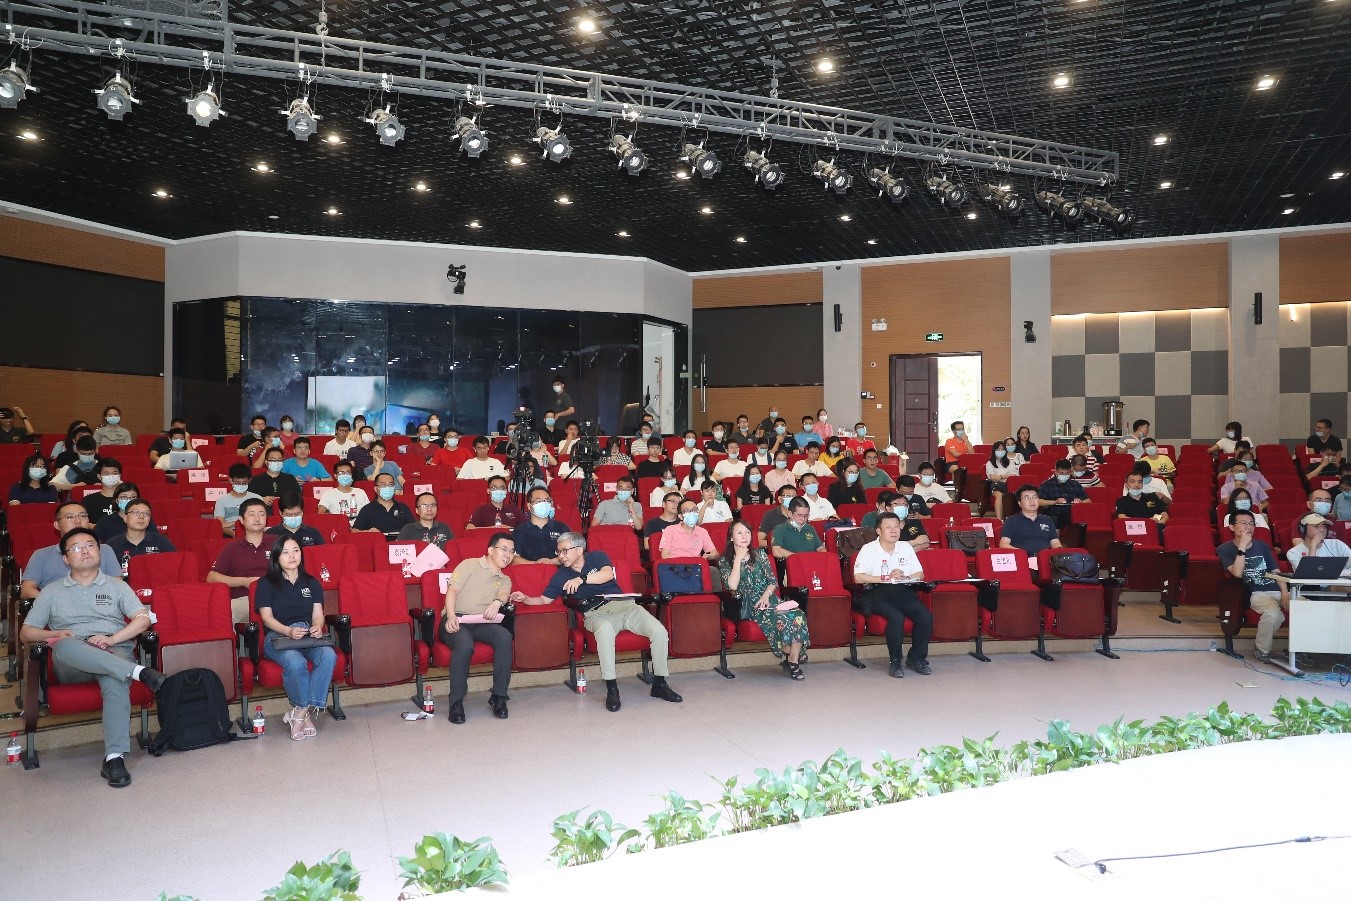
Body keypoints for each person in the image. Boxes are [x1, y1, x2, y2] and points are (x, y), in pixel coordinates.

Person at [19, 528, 166, 787]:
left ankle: (114, 759)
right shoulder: (51, 591)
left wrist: (113, 639)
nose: (85, 551)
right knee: (65, 645)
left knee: (115, 679)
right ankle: (138, 672)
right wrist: (55, 633)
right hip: (73, 659)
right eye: (76, 547)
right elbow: (26, 633)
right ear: (65, 559)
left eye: (90, 545)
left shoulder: (117, 586)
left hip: (113, 648)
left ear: (100, 552)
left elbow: (142, 620)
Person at [524, 532, 681, 711]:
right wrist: (526, 599)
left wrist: (581, 579)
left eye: (564, 551)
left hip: (625, 606)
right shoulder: (561, 575)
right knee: (605, 631)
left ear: (579, 549)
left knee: (659, 631)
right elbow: (544, 599)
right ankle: (612, 688)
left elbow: (607, 575)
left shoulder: (597, 557)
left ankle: (659, 684)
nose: (561, 556)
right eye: (558, 552)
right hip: (596, 613)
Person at [439, 533, 528, 723]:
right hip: (456, 618)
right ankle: (456, 702)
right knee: (464, 645)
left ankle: (499, 696)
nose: (508, 555)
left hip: (482, 622)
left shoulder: (504, 579)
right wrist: (451, 615)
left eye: (512, 551)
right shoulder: (469, 565)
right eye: (504, 549)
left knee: (504, 637)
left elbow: (504, 594)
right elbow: (452, 590)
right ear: (490, 550)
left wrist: (497, 602)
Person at [254, 536, 335, 740]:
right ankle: (303, 715)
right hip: (278, 637)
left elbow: (318, 615)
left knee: (328, 655)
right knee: (295, 662)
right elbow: (267, 618)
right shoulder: (266, 584)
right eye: (285, 552)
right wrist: (287, 631)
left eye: (296, 550)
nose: (292, 556)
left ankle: (300, 712)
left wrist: (317, 627)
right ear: (276, 557)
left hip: (306, 635)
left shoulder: (311, 582)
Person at [719, 521, 809, 678]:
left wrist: (766, 596)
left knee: (797, 614)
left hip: (767, 598)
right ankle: (793, 656)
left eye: (747, 532)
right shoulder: (724, 560)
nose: (744, 536)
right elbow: (732, 586)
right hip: (747, 603)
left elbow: (773, 582)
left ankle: (793, 660)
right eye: (739, 533)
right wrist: (738, 558)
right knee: (781, 618)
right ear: (731, 537)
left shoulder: (760, 554)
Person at [852, 511, 933, 678]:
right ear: (878, 531)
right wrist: (886, 577)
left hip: (903, 590)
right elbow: (858, 577)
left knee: (925, 616)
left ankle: (916, 658)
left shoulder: (905, 547)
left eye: (896, 526)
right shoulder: (868, 549)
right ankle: (895, 661)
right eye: (888, 527)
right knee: (896, 617)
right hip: (878, 592)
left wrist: (906, 577)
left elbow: (919, 573)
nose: (894, 530)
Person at [1218, 510, 1287, 663]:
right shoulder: (1225, 549)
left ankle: (1302, 651)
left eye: (1251, 524)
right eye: (1243, 523)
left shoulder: (1262, 545)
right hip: (1254, 592)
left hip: (1275, 589)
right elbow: (1237, 573)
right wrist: (1242, 546)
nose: (1248, 527)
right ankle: (1261, 649)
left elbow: (1276, 572)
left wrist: (1285, 591)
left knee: (1306, 608)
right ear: (1231, 527)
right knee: (1274, 614)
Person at [18, 503, 123, 601]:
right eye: (70, 517)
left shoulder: (105, 550)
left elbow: (117, 586)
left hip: (100, 606)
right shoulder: (41, 555)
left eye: (83, 516)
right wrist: (57, 603)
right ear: (57, 525)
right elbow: (26, 591)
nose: (78, 521)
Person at [207, 498, 277, 621]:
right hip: (244, 600)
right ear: (241, 520)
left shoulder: (278, 543)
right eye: (252, 514)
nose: (257, 519)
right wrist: (245, 581)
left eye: (261, 514)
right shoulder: (231, 548)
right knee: (224, 614)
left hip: (276, 597)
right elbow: (212, 578)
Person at [106, 499, 176, 572]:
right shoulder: (111, 545)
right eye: (136, 513)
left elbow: (174, 566)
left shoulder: (162, 541)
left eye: (146, 514)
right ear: (125, 518)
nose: (141, 516)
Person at [511, 487, 570, 564]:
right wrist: (536, 565)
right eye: (539, 501)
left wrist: (551, 562)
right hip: (529, 570)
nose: (543, 504)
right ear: (529, 506)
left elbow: (571, 555)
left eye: (547, 501)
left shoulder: (561, 527)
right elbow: (514, 559)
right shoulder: (519, 531)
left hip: (557, 570)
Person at [1001, 484, 1064, 556]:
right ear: (1019, 503)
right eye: (1027, 498)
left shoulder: (1047, 520)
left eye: (1035, 497)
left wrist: (1058, 552)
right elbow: (1004, 544)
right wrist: (1021, 554)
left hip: (1044, 559)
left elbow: (1055, 542)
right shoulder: (1011, 521)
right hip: (1022, 559)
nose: (1032, 500)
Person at [1285, 514, 1351, 582]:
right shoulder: (1293, 553)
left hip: (1341, 583)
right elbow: (1310, 576)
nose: (1322, 530)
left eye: (1324, 526)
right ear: (1303, 529)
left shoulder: (1336, 543)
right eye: (1316, 526)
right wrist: (1313, 546)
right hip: (1315, 587)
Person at [352, 472, 414, 537]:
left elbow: (413, 529)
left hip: (399, 542)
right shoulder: (367, 509)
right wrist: (368, 532)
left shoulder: (403, 508)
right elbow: (354, 531)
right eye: (383, 485)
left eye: (391, 485)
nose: (388, 488)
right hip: (377, 542)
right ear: (376, 489)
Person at [1037, 459, 1089, 528]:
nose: (1064, 475)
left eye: (1067, 473)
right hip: (1054, 514)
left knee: (1080, 523)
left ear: (1070, 472)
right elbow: (1038, 501)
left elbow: (1088, 501)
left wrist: (1080, 502)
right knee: (1054, 519)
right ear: (1056, 471)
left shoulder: (1075, 484)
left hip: (1072, 514)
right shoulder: (1046, 484)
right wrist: (1055, 502)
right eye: (1061, 473)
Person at [249, 446, 302, 513]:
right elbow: (249, 498)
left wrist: (283, 499)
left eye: (279, 460)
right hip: (262, 512)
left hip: (287, 512)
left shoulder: (290, 479)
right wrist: (261, 499)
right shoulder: (256, 480)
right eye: (273, 460)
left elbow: (298, 498)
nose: (276, 462)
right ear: (266, 462)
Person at [215, 463, 263, 536]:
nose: (241, 485)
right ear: (231, 480)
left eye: (244, 483)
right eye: (238, 483)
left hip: (253, 531)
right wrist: (234, 531)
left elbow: (261, 521)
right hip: (230, 533)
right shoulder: (221, 500)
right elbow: (219, 525)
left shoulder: (257, 498)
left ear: (249, 480)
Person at [79, 459, 124, 524]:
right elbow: (83, 522)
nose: (111, 476)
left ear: (119, 475)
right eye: (106, 473)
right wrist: (100, 528)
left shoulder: (126, 499)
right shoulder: (88, 500)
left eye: (115, 473)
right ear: (99, 476)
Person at [986, 440, 1019, 519]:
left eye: (1002, 449)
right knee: (999, 495)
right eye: (998, 449)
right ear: (994, 451)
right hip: (995, 486)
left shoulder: (1011, 462)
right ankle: (999, 519)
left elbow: (1014, 476)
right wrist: (1006, 476)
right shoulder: (990, 463)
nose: (1001, 451)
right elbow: (993, 478)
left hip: (1009, 485)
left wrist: (1001, 477)